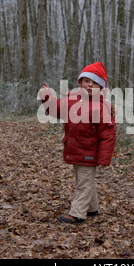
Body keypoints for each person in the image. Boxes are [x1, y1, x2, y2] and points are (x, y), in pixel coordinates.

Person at [40, 62, 117, 224]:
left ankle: (77, 214)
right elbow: (55, 109)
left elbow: (107, 135)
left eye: (95, 83)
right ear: (80, 82)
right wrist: (47, 96)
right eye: (87, 81)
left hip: (90, 152)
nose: (90, 85)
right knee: (84, 181)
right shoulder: (71, 100)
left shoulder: (101, 107)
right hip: (75, 149)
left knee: (83, 183)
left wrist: (104, 157)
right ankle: (91, 208)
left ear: (101, 87)